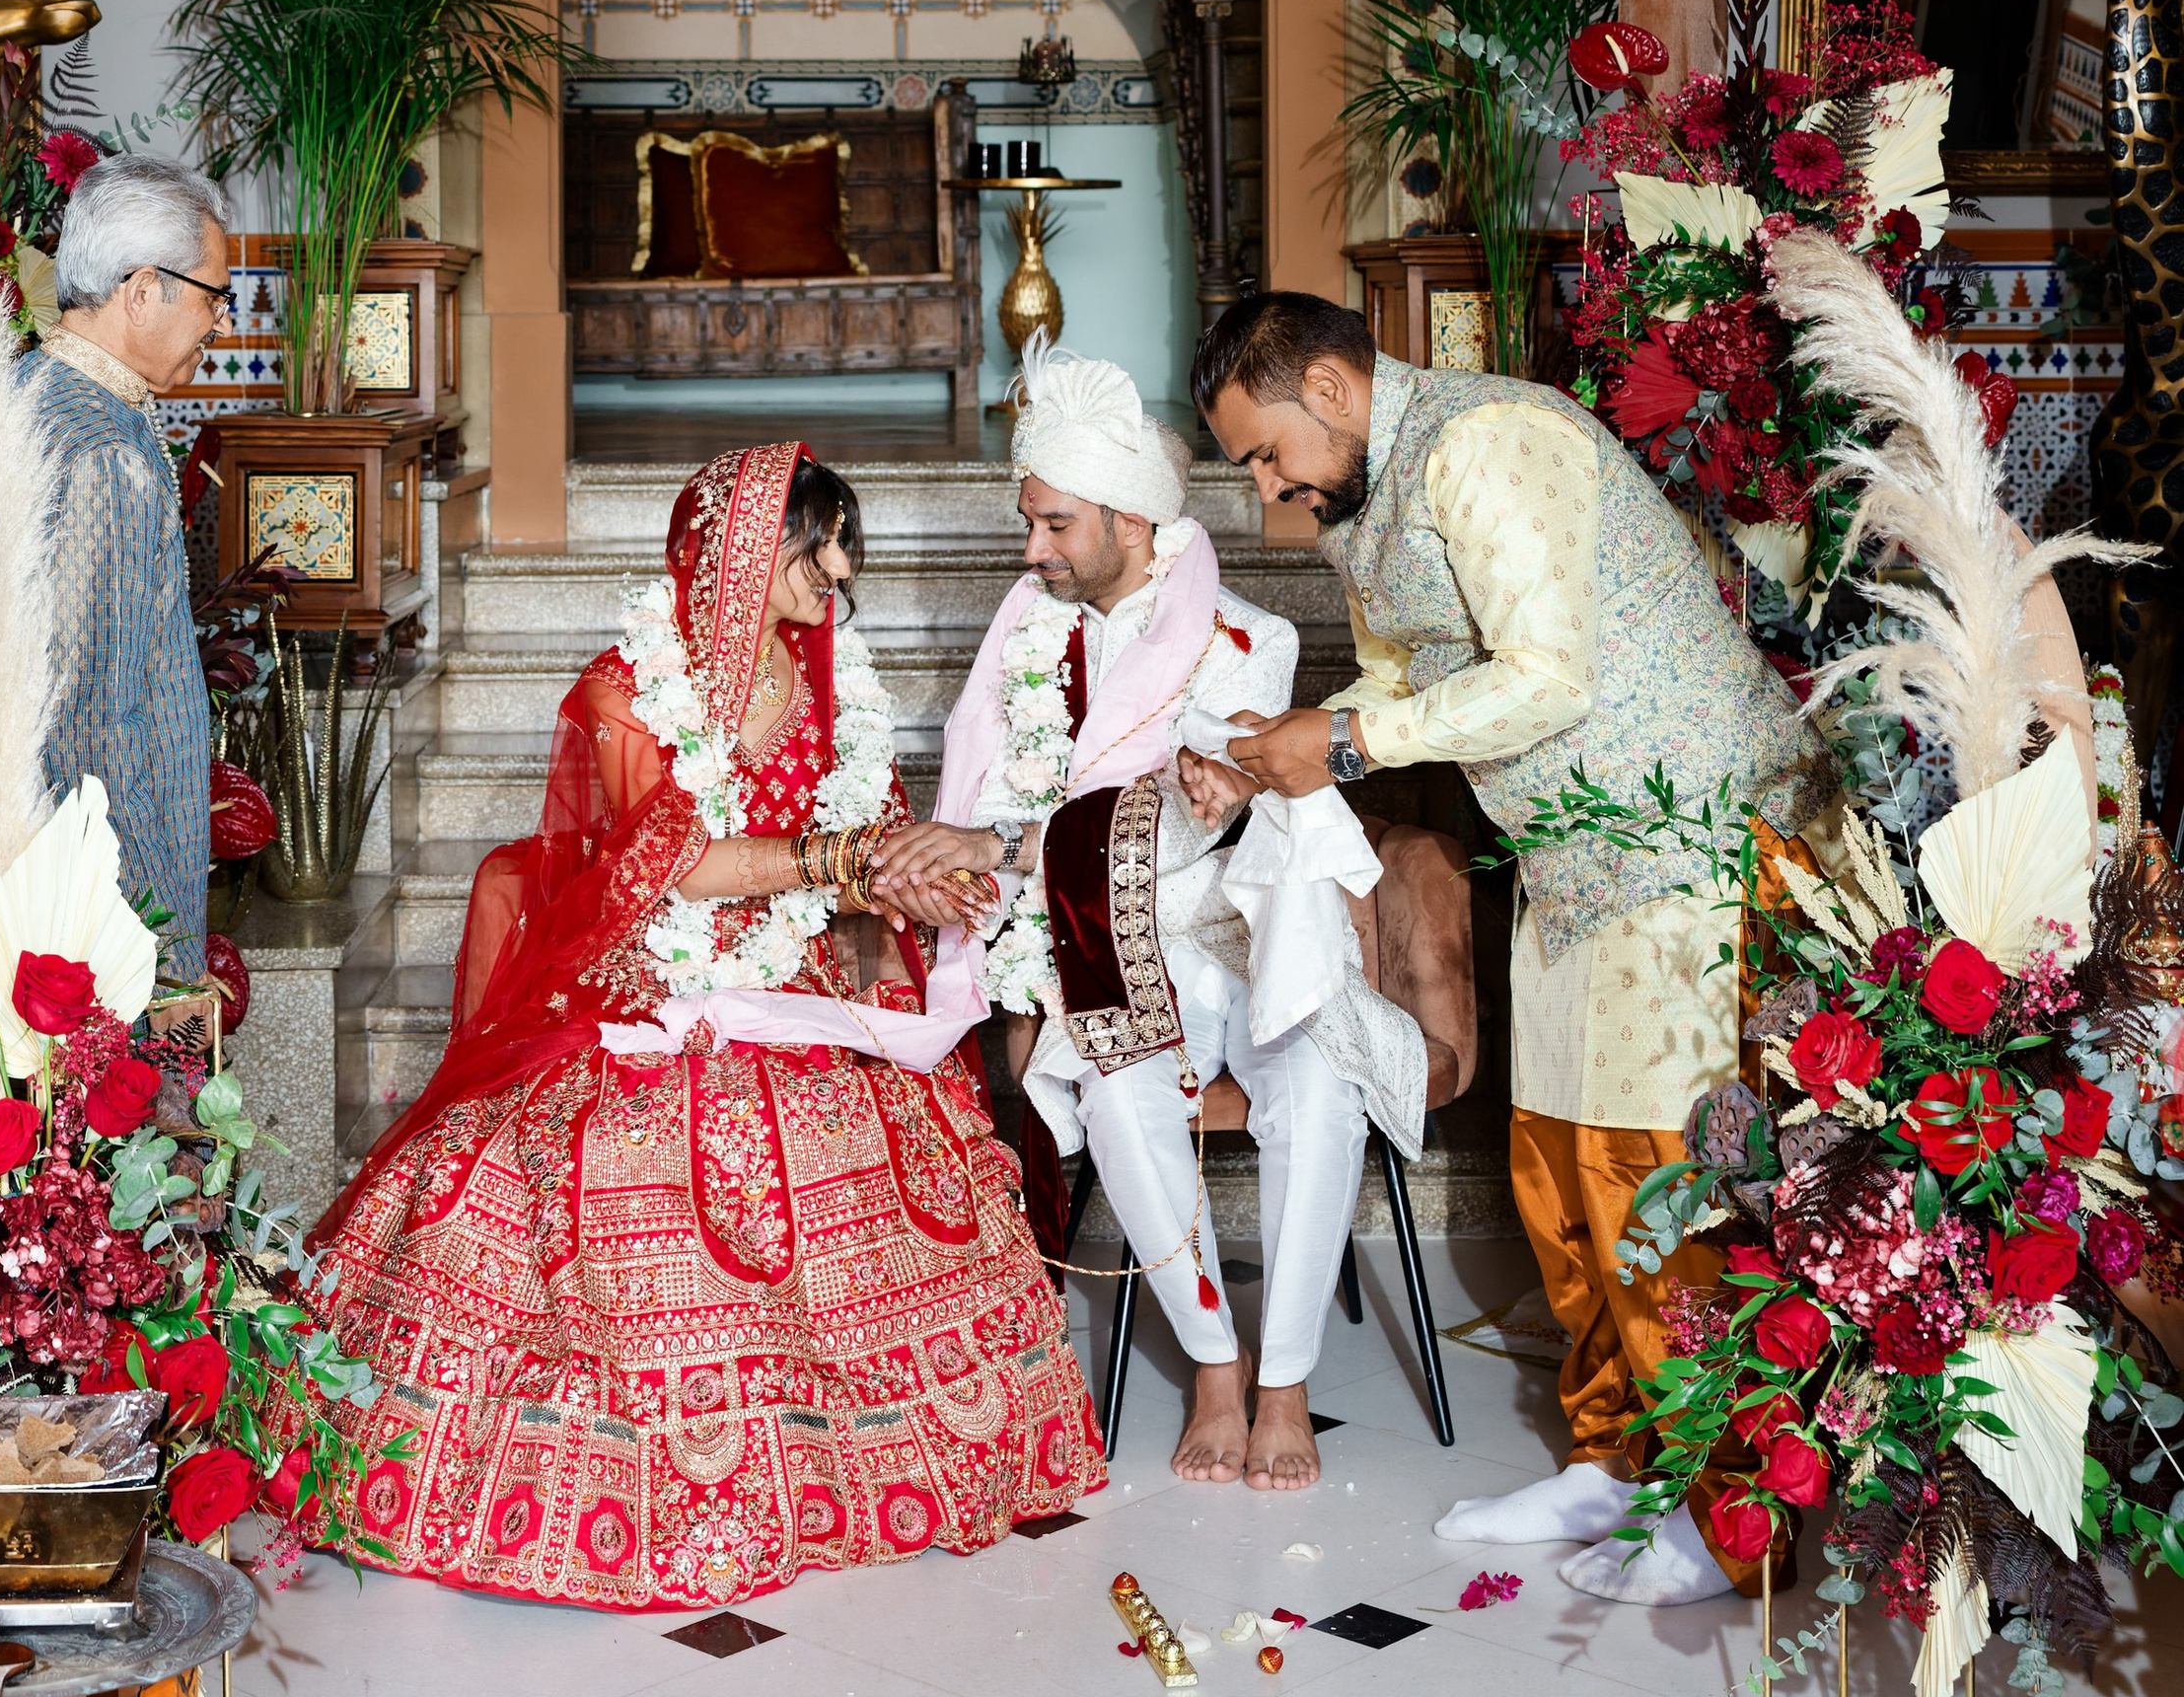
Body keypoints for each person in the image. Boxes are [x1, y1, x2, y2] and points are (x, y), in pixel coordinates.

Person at [306, 443, 1104, 1608]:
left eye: (842, 548)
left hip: (797, 958)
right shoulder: (626, 686)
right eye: (816, 543)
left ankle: (863, 1442)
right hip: (656, 969)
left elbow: (868, 816)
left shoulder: (827, 665)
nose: (836, 571)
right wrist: (836, 861)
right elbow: (666, 863)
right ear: (737, 548)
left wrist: (908, 881)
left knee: (858, 1113)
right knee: (650, 1130)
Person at [1191, 289, 1829, 1607]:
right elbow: (1402, 685)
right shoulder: (1368, 505)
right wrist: (1279, 747)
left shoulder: (1492, 439)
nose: (1268, 483)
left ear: (1329, 386)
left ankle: (1729, 1518)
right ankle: (1610, 1457)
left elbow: (1548, 676)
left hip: (1692, 842)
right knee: (1553, 1167)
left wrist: (1345, 747)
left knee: (1664, 1180)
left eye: (1267, 449)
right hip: (1572, 863)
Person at [875, 341, 1412, 1498]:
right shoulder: (1025, 631)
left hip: (1244, 929)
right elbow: (999, 781)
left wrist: (1009, 841)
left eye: (1055, 526)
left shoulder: (1247, 637)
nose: (1033, 551)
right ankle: (1216, 1370)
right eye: (1032, 523)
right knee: (1118, 1091)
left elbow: (1168, 822)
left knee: (1318, 1094)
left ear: (1127, 520)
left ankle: (1287, 1385)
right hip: (1105, 939)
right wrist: (964, 857)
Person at [39, 153, 229, 980]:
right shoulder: (102, 452)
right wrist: (159, 951)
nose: (221, 323)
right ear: (143, 288)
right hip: (99, 929)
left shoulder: (35, 392)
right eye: (216, 297)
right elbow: (94, 731)